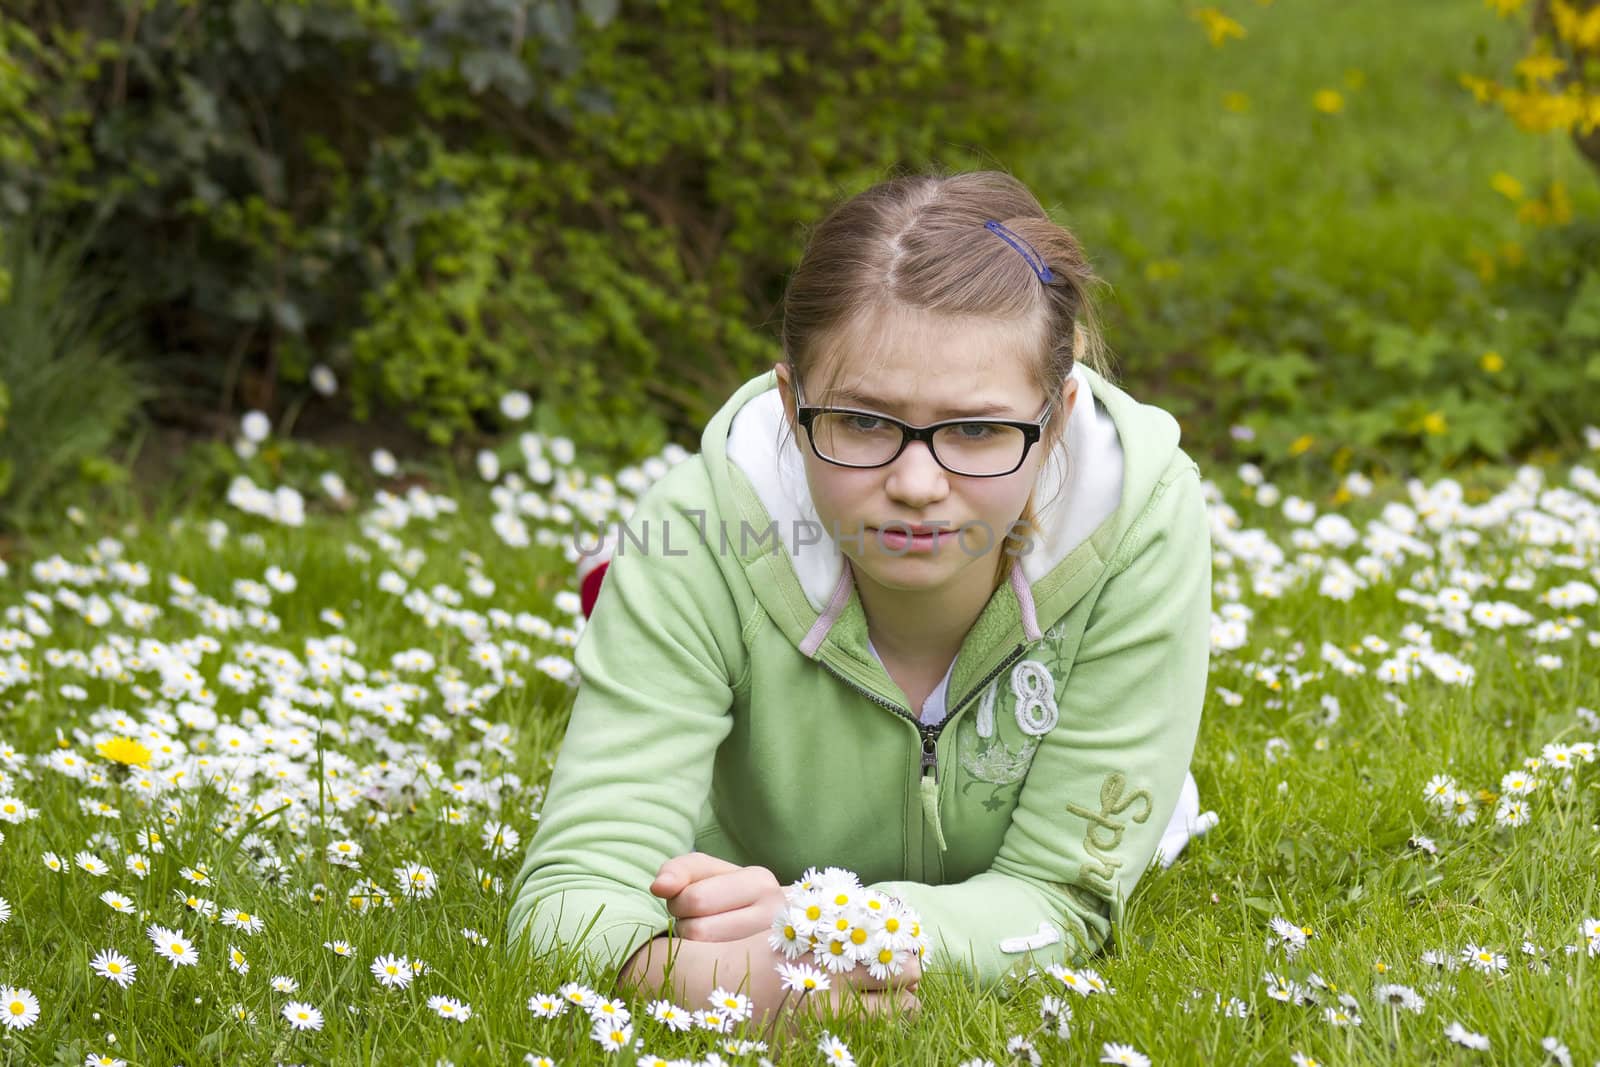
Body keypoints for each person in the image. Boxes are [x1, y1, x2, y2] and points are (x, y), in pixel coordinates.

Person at [507, 169, 1214, 1026]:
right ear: (791, 405)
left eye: (978, 429)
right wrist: (707, 980)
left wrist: (845, 933)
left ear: (1057, 420)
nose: (918, 484)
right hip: (743, 863)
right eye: (865, 423)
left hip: (870, 884)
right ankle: (641, 613)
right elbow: (569, 894)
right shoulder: (698, 526)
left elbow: (1060, 896)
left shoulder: (1138, 520)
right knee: (688, 576)